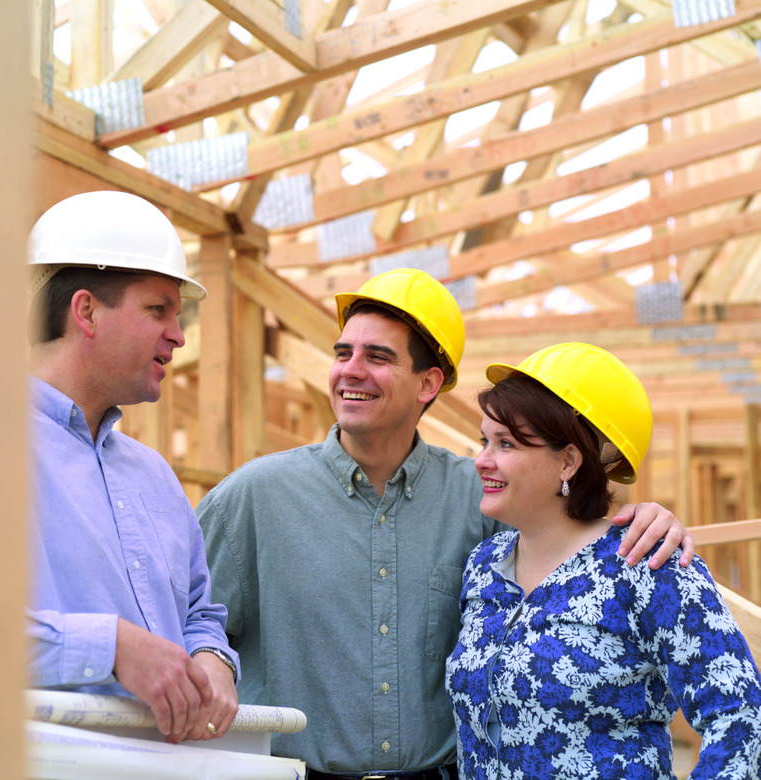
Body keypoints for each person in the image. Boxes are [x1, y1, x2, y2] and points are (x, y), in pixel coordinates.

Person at [197, 268, 693, 777]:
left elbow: (568, 550)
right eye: (343, 353)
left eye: (378, 357)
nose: (350, 370)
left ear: (428, 383)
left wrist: (648, 516)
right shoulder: (254, 496)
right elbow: (186, 625)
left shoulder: (482, 500)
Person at [445, 342, 761, 779]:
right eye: (485, 441)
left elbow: (740, 715)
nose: (481, 460)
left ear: (568, 462)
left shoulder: (645, 567)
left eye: (506, 444)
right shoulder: (484, 565)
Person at [26, 190, 239, 744]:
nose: (179, 333)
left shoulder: (154, 478)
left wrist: (213, 660)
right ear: (86, 311)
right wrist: (113, 647)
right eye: (157, 309)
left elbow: (200, 613)